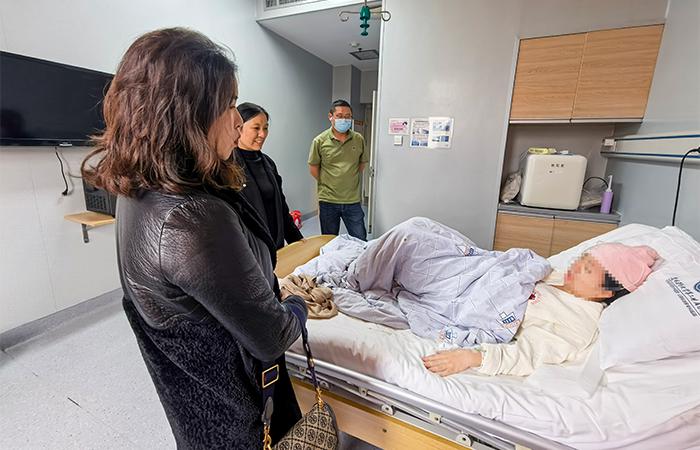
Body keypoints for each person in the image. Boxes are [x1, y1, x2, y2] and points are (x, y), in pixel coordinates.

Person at [81, 28, 307, 448]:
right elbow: (272, 336)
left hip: (197, 409)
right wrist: (297, 304)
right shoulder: (191, 218)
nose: (239, 122)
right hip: (236, 415)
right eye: (230, 104)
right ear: (187, 113)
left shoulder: (141, 189)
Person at [422, 243, 659, 377]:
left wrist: (472, 357)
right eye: (581, 259)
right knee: (418, 234)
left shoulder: (577, 323)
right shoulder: (556, 275)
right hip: (472, 276)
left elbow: (530, 354)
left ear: (605, 292)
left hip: (464, 300)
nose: (575, 267)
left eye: (587, 270)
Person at [235, 102, 303, 249]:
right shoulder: (228, 167)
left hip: (274, 245)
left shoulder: (268, 163)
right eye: (256, 128)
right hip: (247, 249)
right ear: (238, 128)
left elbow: (281, 209)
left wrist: (297, 241)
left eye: (265, 128)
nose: (263, 134)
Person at [308, 99, 369, 240]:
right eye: (340, 116)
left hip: (352, 200)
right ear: (331, 117)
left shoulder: (358, 139)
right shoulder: (320, 141)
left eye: (348, 116)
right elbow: (313, 168)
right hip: (328, 200)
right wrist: (331, 181)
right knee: (329, 241)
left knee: (360, 239)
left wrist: (347, 178)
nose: (344, 120)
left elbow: (361, 165)